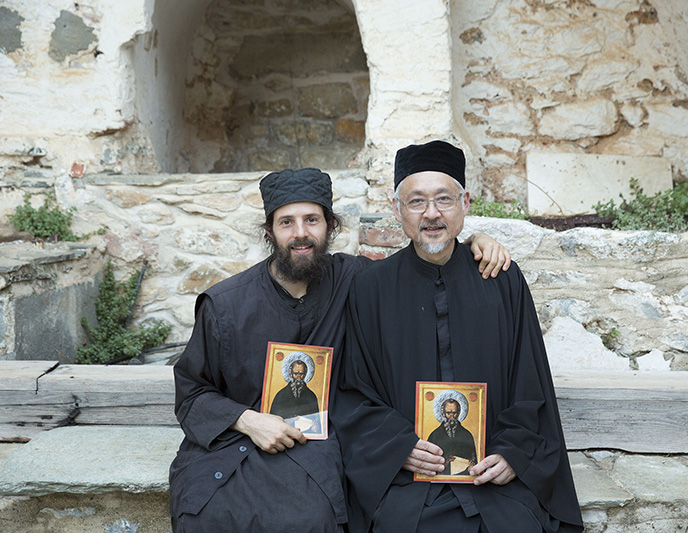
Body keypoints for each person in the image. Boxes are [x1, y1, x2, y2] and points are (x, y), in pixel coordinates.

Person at [169, 167, 511, 532]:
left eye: (312, 220)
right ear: (269, 231)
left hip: (314, 448)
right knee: (207, 514)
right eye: (287, 222)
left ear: (330, 227)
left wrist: (474, 240)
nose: (301, 234)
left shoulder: (359, 281)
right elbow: (192, 392)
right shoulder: (226, 304)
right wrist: (248, 421)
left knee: (308, 517)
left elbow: (419, 263)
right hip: (236, 442)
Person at [333, 140, 584, 532]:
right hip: (408, 481)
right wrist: (399, 449)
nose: (431, 214)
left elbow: (529, 382)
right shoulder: (371, 290)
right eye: (416, 202)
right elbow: (353, 392)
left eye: (444, 199)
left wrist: (513, 455)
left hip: (492, 476)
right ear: (398, 210)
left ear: (465, 203)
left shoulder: (501, 280)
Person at [426, 396, 477, 476]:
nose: (452, 416)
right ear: (443, 413)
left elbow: (473, 459)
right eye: (449, 413)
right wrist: (445, 461)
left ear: (459, 413)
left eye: (454, 413)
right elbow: (427, 461)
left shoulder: (467, 435)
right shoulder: (435, 435)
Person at [269, 356, 320, 420]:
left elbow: (316, 420)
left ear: (305, 375)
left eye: (301, 374)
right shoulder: (281, 395)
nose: (298, 377)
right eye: (296, 373)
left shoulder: (311, 396)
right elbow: (273, 419)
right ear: (290, 374)